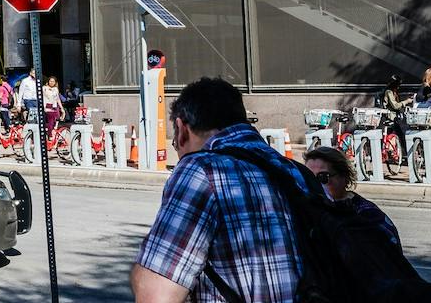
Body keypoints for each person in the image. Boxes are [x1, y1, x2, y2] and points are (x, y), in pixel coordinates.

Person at [131, 77, 312, 302]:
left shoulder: (201, 170)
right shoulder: (296, 173)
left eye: (176, 145)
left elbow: (155, 295)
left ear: (181, 130)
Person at [302, 145, 398, 246]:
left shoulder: (368, 215)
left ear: (344, 177)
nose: (315, 184)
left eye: (323, 177)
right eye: (309, 178)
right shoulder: (309, 211)